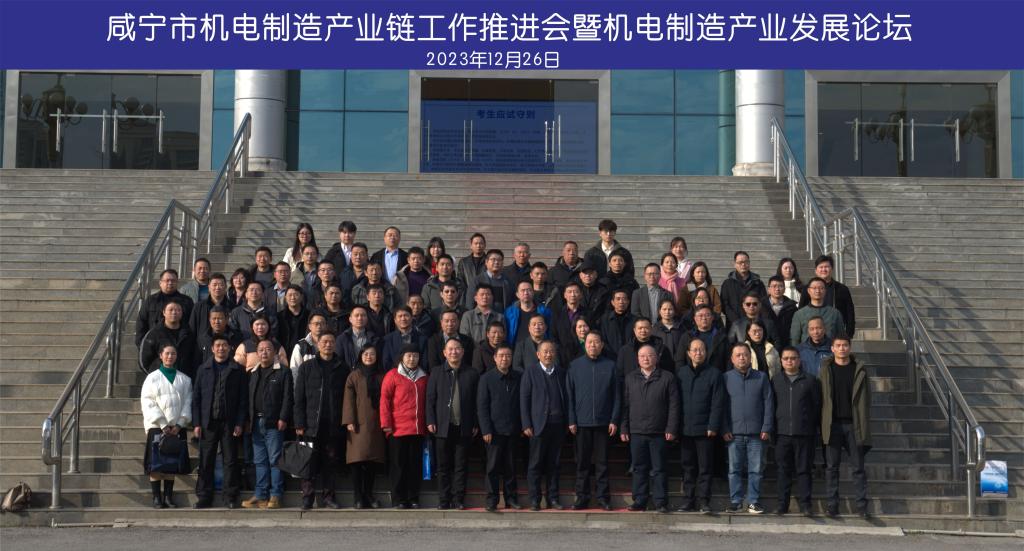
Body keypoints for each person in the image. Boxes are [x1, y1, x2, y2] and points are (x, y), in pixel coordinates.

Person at [620, 344, 680, 513]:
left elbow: (674, 405)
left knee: (659, 468)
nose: (646, 359)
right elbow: (625, 405)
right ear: (637, 359)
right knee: (639, 468)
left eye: (650, 355)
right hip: (637, 431)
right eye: (642, 356)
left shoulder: (667, 377)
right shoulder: (630, 378)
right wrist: (624, 428)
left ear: (656, 358)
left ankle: (660, 502)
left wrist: (671, 428)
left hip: (659, 431)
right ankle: (640, 500)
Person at [293, 332, 349, 510]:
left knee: (330, 462)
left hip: (333, 424)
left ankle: (328, 497)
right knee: (308, 462)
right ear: (318, 344)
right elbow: (299, 397)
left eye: (331, 341)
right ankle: (307, 497)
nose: (328, 345)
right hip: (310, 424)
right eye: (324, 342)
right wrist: (299, 423)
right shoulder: (307, 366)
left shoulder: (342, 367)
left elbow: (347, 398)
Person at [192, 335, 248, 509]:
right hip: (208, 422)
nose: (221, 348)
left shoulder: (238, 370)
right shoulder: (203, 369)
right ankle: (204, 496)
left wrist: (239, 422)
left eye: (224, 345)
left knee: (230, 460)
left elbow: (243, 400)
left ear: (230, 348)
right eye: (217, 345)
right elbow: (196, 398)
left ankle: (230, 496)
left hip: (229, 423)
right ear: (212, 348)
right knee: (206, 460)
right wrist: (197, 423)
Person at [566, 331, 620, 511]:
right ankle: (582, 497)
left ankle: (603, 498)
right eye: (589, 342)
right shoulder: (575, 366)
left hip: (604, 424)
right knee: (582, 463)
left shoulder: (610, 366)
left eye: (596, 342)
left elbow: (617, 396)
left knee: (602, 463)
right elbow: (570, 396)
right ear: (584, 344)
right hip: (581, 424)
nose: (593, 345)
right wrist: (572, 420)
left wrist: (614, 419)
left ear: (602, 345)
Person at [819, 334, 871, 519]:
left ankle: (862, 506)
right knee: (832, 468)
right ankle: (832, 506)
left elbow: (867, 399)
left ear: (850, 347)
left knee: (858, 468)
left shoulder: (860, 369)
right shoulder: (826, 369)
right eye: (838, 345)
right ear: (832, 349)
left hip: (853, 425)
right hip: (832, 425)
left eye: (845, 345)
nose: (842, 348)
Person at [426, 339, 480, 510]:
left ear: (463, 352)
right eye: (450, 349)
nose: (454, 352)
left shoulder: (472, 373)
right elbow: (430, 399)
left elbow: (477, 402)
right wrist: (430, 420)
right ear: (444, 352)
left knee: (461, 466)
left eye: (457, 349)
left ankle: (458, 499)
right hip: (442, 426)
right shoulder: (436, 372)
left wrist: (475, 423)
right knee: (443, 466)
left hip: (464, 427)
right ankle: (444, 500)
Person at [722, 343, 774, 514]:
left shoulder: (761, 377)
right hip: (733, 433)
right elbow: (721, 406)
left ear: (750, 357)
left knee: (756, 470)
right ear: (732, 359)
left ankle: (753, 501)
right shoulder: (726, 378)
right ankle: (736, 501)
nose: (742, 358)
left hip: (757, 433)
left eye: (745, 354)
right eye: (738, 355)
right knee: (733, 470)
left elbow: (768, 403)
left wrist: (766, 427)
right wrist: (724, 428)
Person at [241, 340, 293, 510]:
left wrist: (283, 417)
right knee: (259, 461)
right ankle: (261, 494)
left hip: (274, 422)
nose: (264, 352)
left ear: (275, 353)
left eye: (268, 349)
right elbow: (247, 399)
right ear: (257, 353)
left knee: (275, 460)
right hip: (255, 423)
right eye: (261, 350)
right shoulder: (252, 373)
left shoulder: (283, 372)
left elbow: (288, 397)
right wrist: (247, 420)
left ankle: (276, 495)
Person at [140, 343, 192, 509]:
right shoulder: (152, 378)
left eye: (173, 353)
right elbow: (148, 402)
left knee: (171, 464)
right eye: (167, 353)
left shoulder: (185, 379)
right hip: (157, 426)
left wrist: (180, 423)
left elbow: (188, 402)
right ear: (161, 356)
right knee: (156, 465)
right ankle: (157, 498)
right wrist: (162, 423)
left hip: (177, 427)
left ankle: (168, 497)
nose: (170, 356)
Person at [676, 338, 724, 514]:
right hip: (685, 429)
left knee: (705, 468)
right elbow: (675, 402)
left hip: (705, 430)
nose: (698, 353)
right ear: (688, 353)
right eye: (695, 350)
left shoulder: (714, 374)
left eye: (702, 349)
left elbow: (717, 402)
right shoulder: (681, 373)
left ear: (706, 352)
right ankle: (688, 500)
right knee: (687, 467)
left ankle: (704, 501)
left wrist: (713, 425)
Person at [773, 346, 822, 517]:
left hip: (804, 434)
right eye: (786, 358)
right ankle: (782, 504)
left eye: (793, 358)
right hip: (782, 434)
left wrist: (810, 426)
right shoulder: (776, 380)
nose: (790, 361)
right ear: (781, 361)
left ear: (799, 360)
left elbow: (817, 406)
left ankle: (806, 505)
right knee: (783, 471)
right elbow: (772, 406)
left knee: (804, 470)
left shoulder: (810, 381)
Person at [520, 341, 568, 510]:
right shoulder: (530, 372)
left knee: (554, 464)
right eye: (545, 352)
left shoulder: (561, 372)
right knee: (535, 464)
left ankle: (553, 498)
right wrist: (526, 423)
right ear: (538, 354)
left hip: (558, 424)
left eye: (551, 351)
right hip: (538, 425)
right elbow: (524, 399)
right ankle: (535, 499)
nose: (548, 354)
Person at [380, 345, 429, 509]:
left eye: (415, 356)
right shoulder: (393, 375)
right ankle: (398, 498)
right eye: (409, 356)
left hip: (417, 428)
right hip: (397, 429)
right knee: (398, 465)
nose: (412, 359)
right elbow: (385, 400)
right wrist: (386, 424)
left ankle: (413, 497)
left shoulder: (424, 377)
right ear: (402, 357)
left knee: (414, 465)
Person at [476, 344, 523, 511]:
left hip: (513, 429)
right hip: (494, 431)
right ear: (495, 358)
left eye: (508, 356)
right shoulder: (486, 378)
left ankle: (511, 498)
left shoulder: (518, 377)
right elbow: (482, 406)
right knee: (492, 467)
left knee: (511, 467)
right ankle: (492, 499)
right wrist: (486, 429)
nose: (505, 359)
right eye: (501, 355)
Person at [343, 344, 388, 509]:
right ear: (361, 356)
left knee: (372, 462)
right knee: (357, 461)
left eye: (372, 354)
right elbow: (348, 400)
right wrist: (349, 420)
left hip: (376, 424)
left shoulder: (382, 375)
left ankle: (369, 495)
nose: (369, 357)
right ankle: (358, 497)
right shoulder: (354, 375)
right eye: (366, 354)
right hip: (357, 425)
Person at [799, 255, 857, 338]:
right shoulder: (808, 289)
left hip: (836, 333)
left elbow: (850, 313)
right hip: (813, 334)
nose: (824, 269)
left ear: (832, 269)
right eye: (821, 267)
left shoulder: (842, 289)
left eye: (826, 267)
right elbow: (801, 310)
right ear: (816, 270)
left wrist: (849, 334)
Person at [136, 268, 194, 347]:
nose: (170, 283)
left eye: (173, 281)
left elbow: (192, 324)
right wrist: (142, 345)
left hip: (180, 345)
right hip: (155, 344)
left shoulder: (187, 301)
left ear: (177, 282)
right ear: (160, 283)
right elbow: (141, 323)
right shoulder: (151, 300)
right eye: (167, 280)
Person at [139, 301, 198, 377]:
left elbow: (194, 358)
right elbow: (144, 360)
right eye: (171, 310)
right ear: (164, 312)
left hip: (183, 378)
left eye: (178, 310)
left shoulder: (189, 334)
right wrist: (154, 376)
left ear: (181, 313)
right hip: (160, 379)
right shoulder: (154, 334)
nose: (174, 312)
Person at [790, 277, 847, 346]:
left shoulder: (835, 313)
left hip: (829, 350)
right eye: (814, 288)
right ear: (808, 291)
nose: (818, 291)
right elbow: (794, 339)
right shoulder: (799, 314)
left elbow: (841, 336)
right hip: (806, 351)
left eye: (821, 288)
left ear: (825, 290)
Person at [720, 251, 768, 328]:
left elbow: (763, 303)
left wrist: (755, 320)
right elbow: (725, 305)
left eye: (746, 262)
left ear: (749, 263)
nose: (743, 265)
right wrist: (736, 321)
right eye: (740, 262)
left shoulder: (758, 283)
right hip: (734, 325)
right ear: (735, 264)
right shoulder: (727, 284)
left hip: (755, 325)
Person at [381, 306, 428, 372]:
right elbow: (386, 363)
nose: (403, 319)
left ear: (412, 318)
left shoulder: (422, 338)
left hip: (417, 374)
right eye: (400, 316)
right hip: (395, 375)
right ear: (395, 320)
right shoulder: (388, 339)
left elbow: (424, 362)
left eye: (406, 315)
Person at [505, 280, 551, 345]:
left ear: (533, 292)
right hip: (516, 348)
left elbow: (549, 332)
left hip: (539, 348)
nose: (526, 293)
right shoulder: (509, 313)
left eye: (529, 290)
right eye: (523, 290)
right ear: (517, 294)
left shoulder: (544, 311)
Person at [189, 272, 231, 337]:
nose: (217, 287)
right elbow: (192, 329)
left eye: (221, 285)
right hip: (203, 342)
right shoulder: (199, 306)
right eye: (214, 285)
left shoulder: (232, 306)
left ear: (225, 287)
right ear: (209, 287)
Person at [689, 305, 729, 372]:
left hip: (717, 374)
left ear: (712, 317)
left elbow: (728, 359)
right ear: (695, 318)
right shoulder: (688, 336)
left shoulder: (722, 337)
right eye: (700, 316)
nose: (704, 318)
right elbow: (680, 360)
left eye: (707, 315)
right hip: (693, 374)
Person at [763, 275, 798, 347]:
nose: (777, 289)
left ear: (784, 289)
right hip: (766, 344)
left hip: (786, 344)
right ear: (769, 289)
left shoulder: (792, 306)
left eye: (780, 286)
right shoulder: (761, 306)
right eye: (774, 286)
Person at [598, 289, 636, 355]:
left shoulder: (634, 320)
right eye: (618, 299)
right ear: (612, 302)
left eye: (624, 299)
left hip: (629, 355)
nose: (621, 302)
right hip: (609, 356)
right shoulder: (605, 319)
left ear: (628, 302)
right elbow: (602, 339)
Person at [290, 313, 327, 378]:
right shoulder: (300, 346)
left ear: (326, 326)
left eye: (322, 323)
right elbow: (295, 370)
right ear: (309, 326)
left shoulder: (331, 344)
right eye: (316, 324)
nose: (319, 326)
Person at [276, 284, 309, 355]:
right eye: (290, 295)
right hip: (285, 353)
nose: (293, 297)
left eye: (296, 295)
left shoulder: (309, 315)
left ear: (301, 297)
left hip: (305, 352)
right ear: (285, 297)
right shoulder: (279, 317)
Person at [652, 299, 688, 363]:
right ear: (659, 311)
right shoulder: (654, 329)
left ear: (674, 311)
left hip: (678, 362)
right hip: (660, 363)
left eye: (670, 309)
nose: (667, 312)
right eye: (664, 309)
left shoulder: (681, 328)